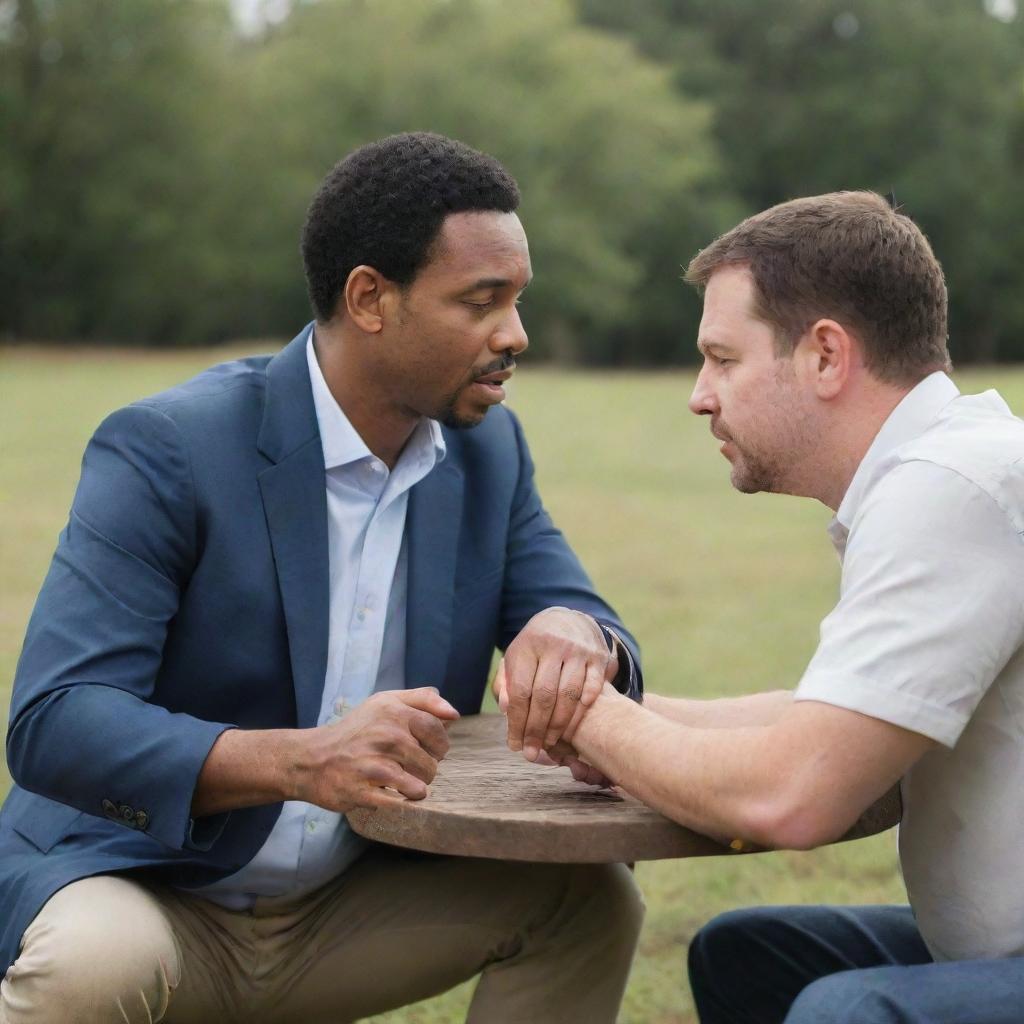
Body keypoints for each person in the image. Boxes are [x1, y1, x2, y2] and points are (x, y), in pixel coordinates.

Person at [0, 132, 645, 1024]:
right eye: (481, 301)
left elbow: (576, 608)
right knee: (89, 970)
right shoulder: (169, 449)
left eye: (519, 300)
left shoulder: (487, 451)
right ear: (371, 299)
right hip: (143, 891)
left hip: (347, 911)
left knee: (589, 902)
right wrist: (300, 763)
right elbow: (55, 722)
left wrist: (576, 633)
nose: (516, 335)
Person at [513, 191, 1024, 1023]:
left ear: (826, 355)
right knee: (748, 955)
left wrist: (589, 720)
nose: (699, 395)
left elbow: (794, 794)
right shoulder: (954, 470)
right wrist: (636, 714)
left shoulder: (950, 489)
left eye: (722, 358)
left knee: (848, 1010)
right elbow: (841, 720)